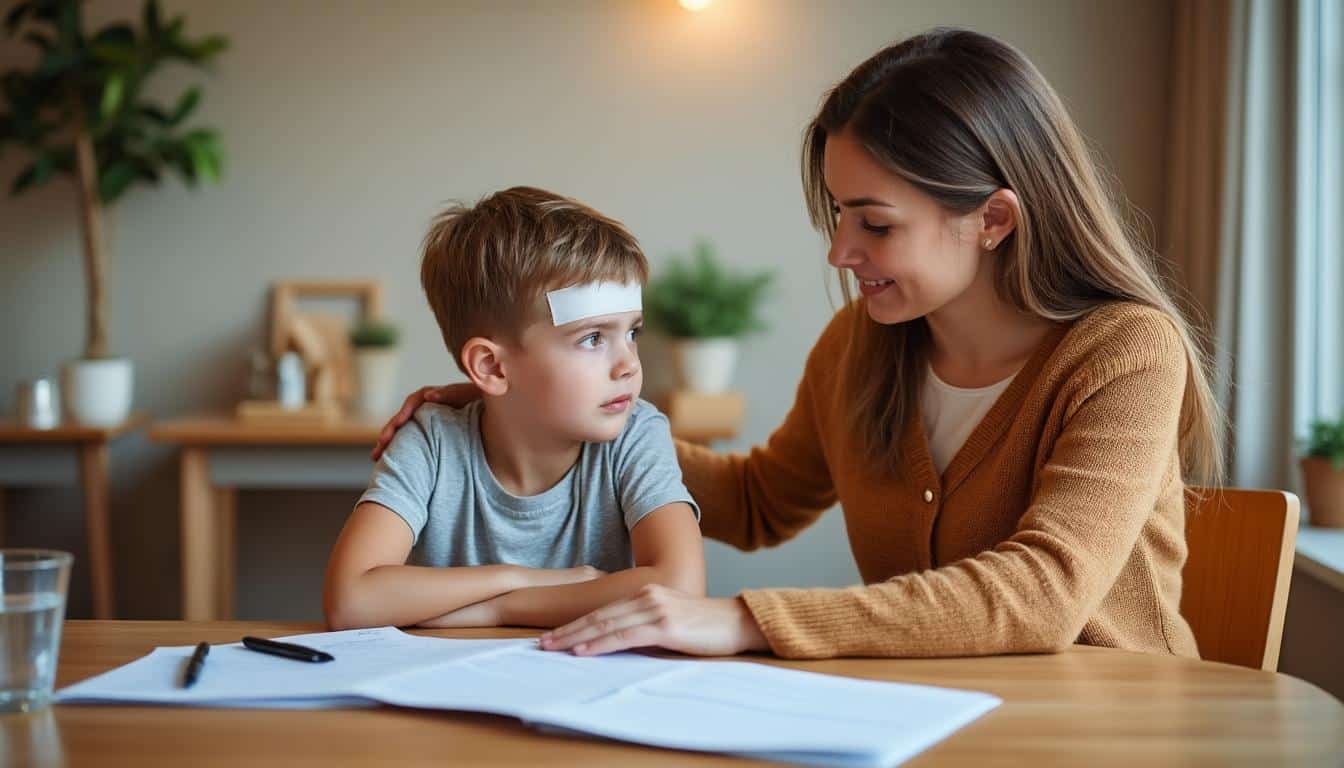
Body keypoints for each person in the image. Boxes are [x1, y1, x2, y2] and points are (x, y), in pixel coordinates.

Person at [375, 28, 1222, 660]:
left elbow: (1043, 596)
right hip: (933, 713)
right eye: (839, 213)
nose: (840, 252)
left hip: (1108, 724)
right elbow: (758, 503)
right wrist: (547, 412)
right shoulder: (865, 344)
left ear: (993, 220)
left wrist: (743, 619)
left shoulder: (1126, 353)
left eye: (875, 223)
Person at [324, 186, 704, 631]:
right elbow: (350, 600)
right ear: (491, 366)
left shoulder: (636, 432)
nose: (628, 364)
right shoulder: (432, 441)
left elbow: (680, 587)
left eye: (631, 332)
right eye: (593, 338)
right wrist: (524, 579)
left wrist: (501, 608)